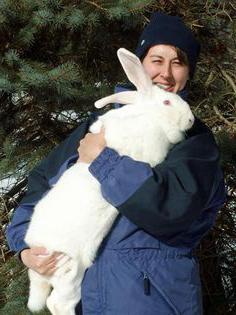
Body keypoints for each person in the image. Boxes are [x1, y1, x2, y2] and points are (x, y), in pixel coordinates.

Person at [6, 12, 226, 314]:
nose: (166, 73)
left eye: (178, 62)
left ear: (188, 73)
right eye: (156, 60)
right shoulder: (99, 126)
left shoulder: (194, 142)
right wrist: (26, 248)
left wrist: (103, 161)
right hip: (86, 298)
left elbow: (172, 209)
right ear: (140, 64)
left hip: (151, 299)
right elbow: (41, 184)